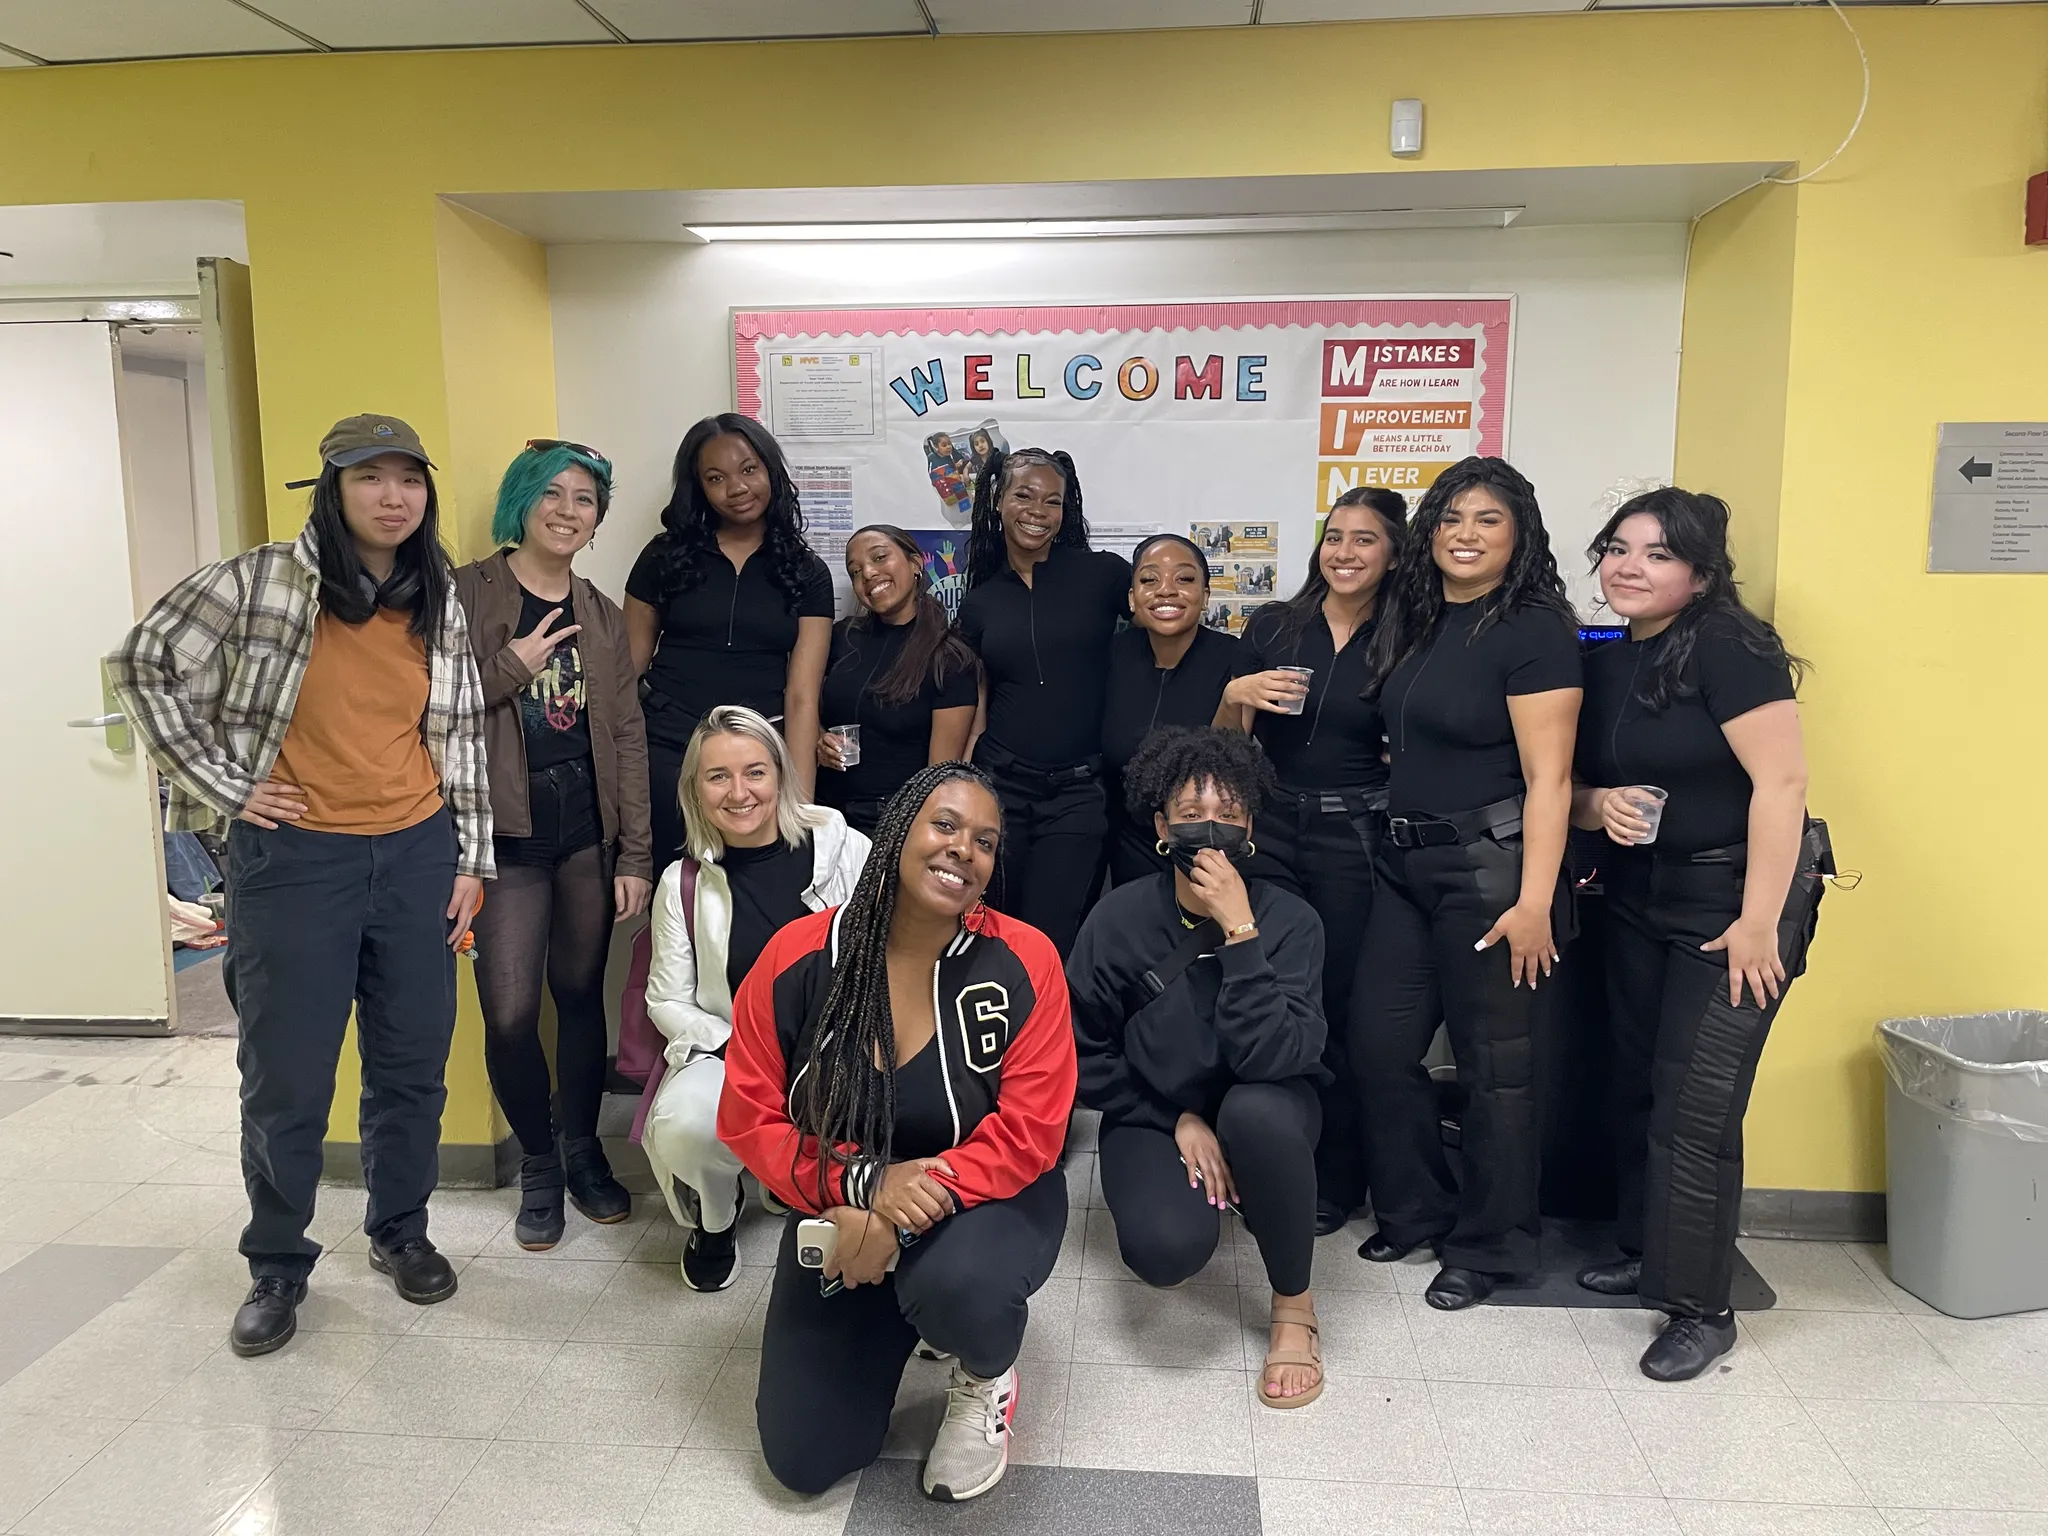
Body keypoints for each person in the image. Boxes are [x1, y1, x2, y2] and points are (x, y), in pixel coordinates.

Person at [108, 414, 489, 1357]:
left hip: (416, 854)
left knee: (411, 1064)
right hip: (294, 863)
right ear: (333, 488)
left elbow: (463, 732)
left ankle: (400, 1231)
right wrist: (225, 783)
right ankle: (277, 1262)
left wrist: (471, 860)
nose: (394, 497)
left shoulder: (435, 595)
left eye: (410, 479)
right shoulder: (260, 581)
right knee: (286, 1076)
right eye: (371, 478)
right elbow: (140, 663)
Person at [718, 763, 1075, 1502]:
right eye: (945, 825)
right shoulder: (798, 955)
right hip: (843, 1203)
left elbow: (1033, 1132)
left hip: (990, 1201)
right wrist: (861, 1188)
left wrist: (897, 1213)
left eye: (984, 841)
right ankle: (907, 1310)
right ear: (898, 830)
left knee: (959, 1288)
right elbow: (748, 1115)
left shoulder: (1025, 960)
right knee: (805, 1458)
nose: (964, 850)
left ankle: (984, 1372)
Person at [1571, 488, 1822, 1380]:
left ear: (1702, 574)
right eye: (1619, 549)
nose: (1630, 567)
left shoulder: (1730, 645)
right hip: (1641, 893)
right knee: (1640, 1086)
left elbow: (1782, 786)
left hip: (1734, 901)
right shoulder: (1609, 659)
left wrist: (1759, 922)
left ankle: (1701, 1308)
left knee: (1697, 1104)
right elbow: (1578, 789)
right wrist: (1599, 805)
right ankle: (1652, 1252)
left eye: (1658, 554)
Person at [1350, 457, 1583, 1310]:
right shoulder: (1419, 617)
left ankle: (1490, 1248)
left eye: (1488, 519)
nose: (1465, 534)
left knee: (1497, 1071)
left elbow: (1551, 780)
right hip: (1405, 864)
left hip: (1494, 871)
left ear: (1519, 534)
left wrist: (1535, 901)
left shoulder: (1534, 629)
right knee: (1378, 1047)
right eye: (1451, 517)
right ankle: (1417, 1211)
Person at [1068, 727, 1330, 1409]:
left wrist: (1241, 933)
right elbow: (1082, 1053)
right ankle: (1218, 1185)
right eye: (1190, 814)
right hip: (1154, 1112)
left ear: (1250, 828)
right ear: (1161, 828)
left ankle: (1295, 1307)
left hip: (1266, 1105)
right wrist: (1174, 1118)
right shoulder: (1116, 920)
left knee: (1257, 1112)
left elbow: (1277, 1057)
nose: (1209, 830)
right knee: (1165, 1252)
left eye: (1228, 815)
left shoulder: (1293, 921)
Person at [452, 439, 653, 1250]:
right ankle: (537, 1162)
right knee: (508, 1014)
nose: (569, 512)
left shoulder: (600, 613)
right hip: (502, 834)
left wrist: (634, 853)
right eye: (554, 494)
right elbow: (426, 709)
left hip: (583, 833)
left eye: (585, 500)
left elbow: (627, 734)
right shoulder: (466, 592)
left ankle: (581, 1153)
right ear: (523, 500)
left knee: (578, 996)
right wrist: (508, 666)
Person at [1217, 488, 1406, 1234]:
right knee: (1261, 982)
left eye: (1365, 539)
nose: (1345, 553)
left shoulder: (1410, 631)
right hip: (1270, 825)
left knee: (1337, 1001)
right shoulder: (1274, 624)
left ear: (1393, 553)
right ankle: (1260, 1158)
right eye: (1335, 537)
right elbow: (1225, 747)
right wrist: (1235, 692)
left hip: (1354, 833)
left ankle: (1338, 1177)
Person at [642, 706, 869, 1290]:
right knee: (685, 1123)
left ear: (781, 775)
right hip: (734, 1050)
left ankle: (792, 1176)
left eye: (755, 772)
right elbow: (666, 1000)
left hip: (837, 1047)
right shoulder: (682, 883)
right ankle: (716, 1218)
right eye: (718, 776)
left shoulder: (846, 852)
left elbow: (889, 958)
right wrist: (738, 1047)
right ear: (696, 789)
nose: (739, 792)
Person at [624, 414, 833, 872]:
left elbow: (802, 696)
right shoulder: (663, 557)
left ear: (770, 471)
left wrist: (801, 807)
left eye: (749, 469)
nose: (736, 488)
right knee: (673, 885)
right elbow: (627, 673)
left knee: (751, 886)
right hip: (668, 747)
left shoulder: (807, 571)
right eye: (715, 478)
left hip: (758, 755)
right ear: (698, 487)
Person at [955, 448, 1130, 955]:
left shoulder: (1103, 575)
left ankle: (1047, 1012)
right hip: (1000, 785)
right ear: (998, 501)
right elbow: (976, 698)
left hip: (1078, 790)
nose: (1038, 511)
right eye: (1024, 496)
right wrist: (959, 780)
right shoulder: (981, 600)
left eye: (1052, 501)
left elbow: (1163, 629)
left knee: (1051, 938)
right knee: (992, 929)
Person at [816, 524, 978, 834]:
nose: (867, 573)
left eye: (879, 557)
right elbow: (803, 704)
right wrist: (819, 740)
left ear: (915, 564)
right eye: (855, 571)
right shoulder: (841, 638)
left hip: (894, 821)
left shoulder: (949, 659)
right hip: (827, 818)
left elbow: (938, 776)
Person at [1101, 535, 1239, 886]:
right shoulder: (1111, 654)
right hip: (1123, 840)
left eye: (1184, 579)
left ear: (1205, 596)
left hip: (1203, 841)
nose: (1166, 590)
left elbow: (1232, 761)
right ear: (1132, 598)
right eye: (1149, 579)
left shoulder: (1235, 657)